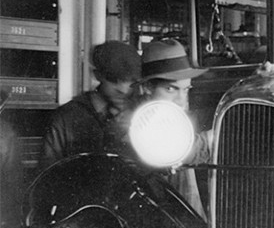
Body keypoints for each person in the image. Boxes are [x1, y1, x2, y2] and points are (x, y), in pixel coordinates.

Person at [134, 39, 210, 217]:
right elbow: (189, 150)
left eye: (186, 89)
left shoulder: (170, 115)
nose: (181, 100)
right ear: (147, 87)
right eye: (171, 89)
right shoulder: (137, 122)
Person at [40, 41, 142, 169]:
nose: (123, 89)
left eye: (130, 82)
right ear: (97, 75)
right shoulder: (67, 117)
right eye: (114, 80)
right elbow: (48, 171)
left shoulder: (142, 115)